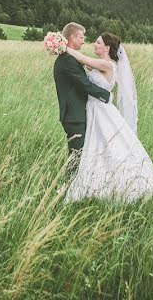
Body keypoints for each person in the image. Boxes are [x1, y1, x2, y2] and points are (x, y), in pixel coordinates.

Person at [62, 31, 153, 203]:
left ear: (107, 47)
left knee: (108, 147)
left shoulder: (107, 65)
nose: (94, 45)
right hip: (96, 109)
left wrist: (61, 45)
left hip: (101, 111)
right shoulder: (102, 64)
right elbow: (85, 67)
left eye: (97, 42)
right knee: (99, 147)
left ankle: (119, 185)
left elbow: (82, 59)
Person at [53, 22, 112, 184]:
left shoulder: (69, 58)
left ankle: (79, 185)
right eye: (81, 37)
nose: (84, 41)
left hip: (77, 114)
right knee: (76, 155)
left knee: (81, 153)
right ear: (71, 38)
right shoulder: (68, 61)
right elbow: (84, 85)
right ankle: (68, 188)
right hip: (74, 116)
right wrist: (106, 95)